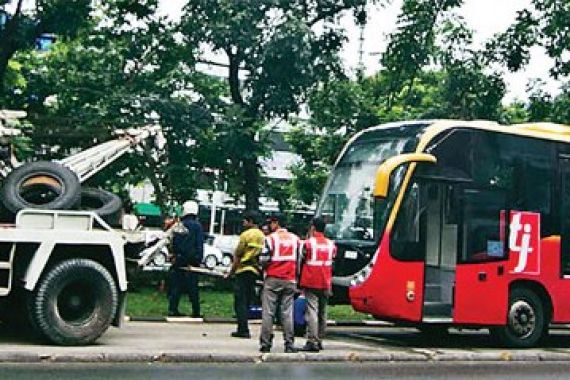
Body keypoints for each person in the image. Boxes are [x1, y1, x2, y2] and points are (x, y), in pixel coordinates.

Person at [259, 215, 300, 353]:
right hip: (290, 279)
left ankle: (265, 343)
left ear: (276, 223)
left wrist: (264, 268)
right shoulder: (295, 239)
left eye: (270, 223)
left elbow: (263, 258)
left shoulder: (270, 239)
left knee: (268, 312)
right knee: (287, 312)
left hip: (273, 279)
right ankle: (289, 343)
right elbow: (300, 259)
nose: (268, 226)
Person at [298, 217, 337, 352]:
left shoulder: (308, 243)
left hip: (311, 280)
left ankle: (312, 340)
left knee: (312, 311)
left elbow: (302, 260)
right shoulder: (331, 244)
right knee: (323, 311)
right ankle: (320, 339)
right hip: (326, 281)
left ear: (313, 227)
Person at [225, 210, 264, 338]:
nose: (243, 222)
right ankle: (244, 324)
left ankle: (243, 329)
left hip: (243, 270)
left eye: (245, 220)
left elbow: (238, 255)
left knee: (239, 301)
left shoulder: (245, 235)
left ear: (250, 221)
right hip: (255, 271)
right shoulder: (262, 236)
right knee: (247, 299)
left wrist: (231, 272)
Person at [167, 200, 204, 317]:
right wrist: (199, 258)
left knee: (176, 286)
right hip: (192, 260)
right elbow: (199, 244)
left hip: (179, 259)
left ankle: (173, 309)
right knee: (193, 287)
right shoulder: (197, 226)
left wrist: (174, 255)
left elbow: (174, 242)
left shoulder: (179, 225)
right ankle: (196, 311)